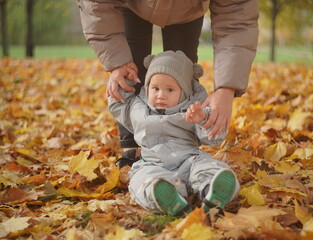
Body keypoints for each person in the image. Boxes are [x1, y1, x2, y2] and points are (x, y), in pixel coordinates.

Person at [77, 0, 259, 165]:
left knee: (180, 74)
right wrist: (116, 61)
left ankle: (181, 147)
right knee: (131, 70)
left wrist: (227, 88)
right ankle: (134, 146)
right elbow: (95, 5)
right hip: (131, 4)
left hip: (187, 8)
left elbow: (237, 18)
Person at [108, 50, 240, 215]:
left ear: (184, 93)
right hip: (152, 163)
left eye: (170, 90)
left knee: (209, 167)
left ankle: (213, 190)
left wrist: (202, 119)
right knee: (143, 180)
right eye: (155, 88)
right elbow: (118, 104)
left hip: (190, 160)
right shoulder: (137, 108)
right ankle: (167, 196)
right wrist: (123, 80)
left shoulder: (194, 109)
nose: (161, 95)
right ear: (147, 88)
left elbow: (213, 137)